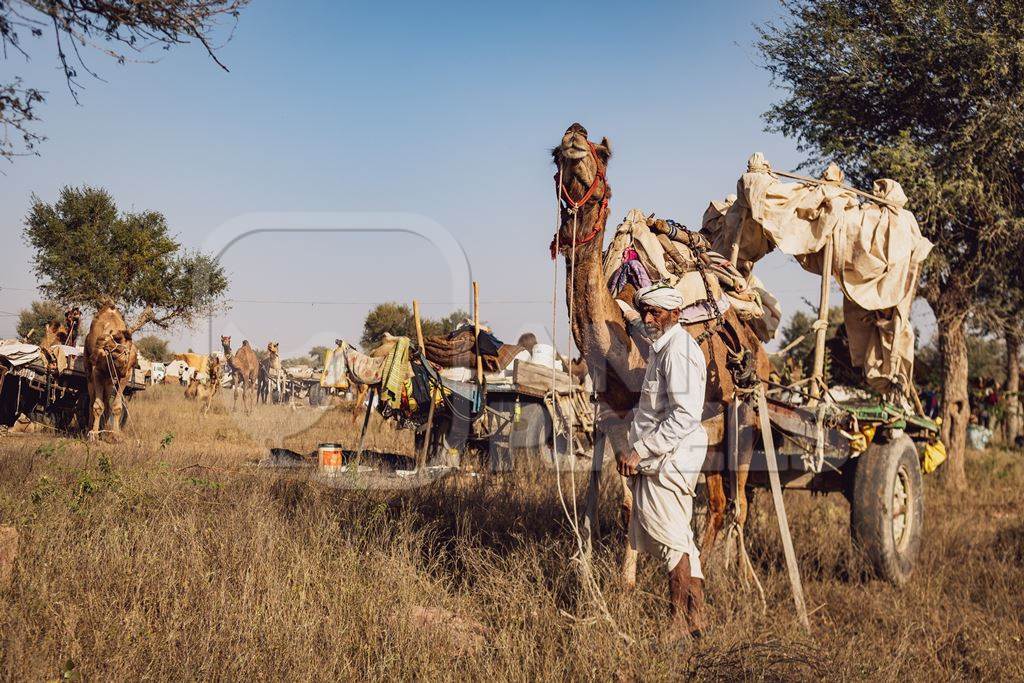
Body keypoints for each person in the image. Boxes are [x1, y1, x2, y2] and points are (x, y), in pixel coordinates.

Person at [617, 283, 708, 640]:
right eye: (646, 312)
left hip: (668, 462)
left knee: (672, 543)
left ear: (675, 314)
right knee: (683, 539)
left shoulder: (677, 352)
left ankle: (676, 626)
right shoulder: (663, 348)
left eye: (657, 312)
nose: (650, 318)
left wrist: (641, 451)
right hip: (666, 459)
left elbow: (684, 416)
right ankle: (697, 617)